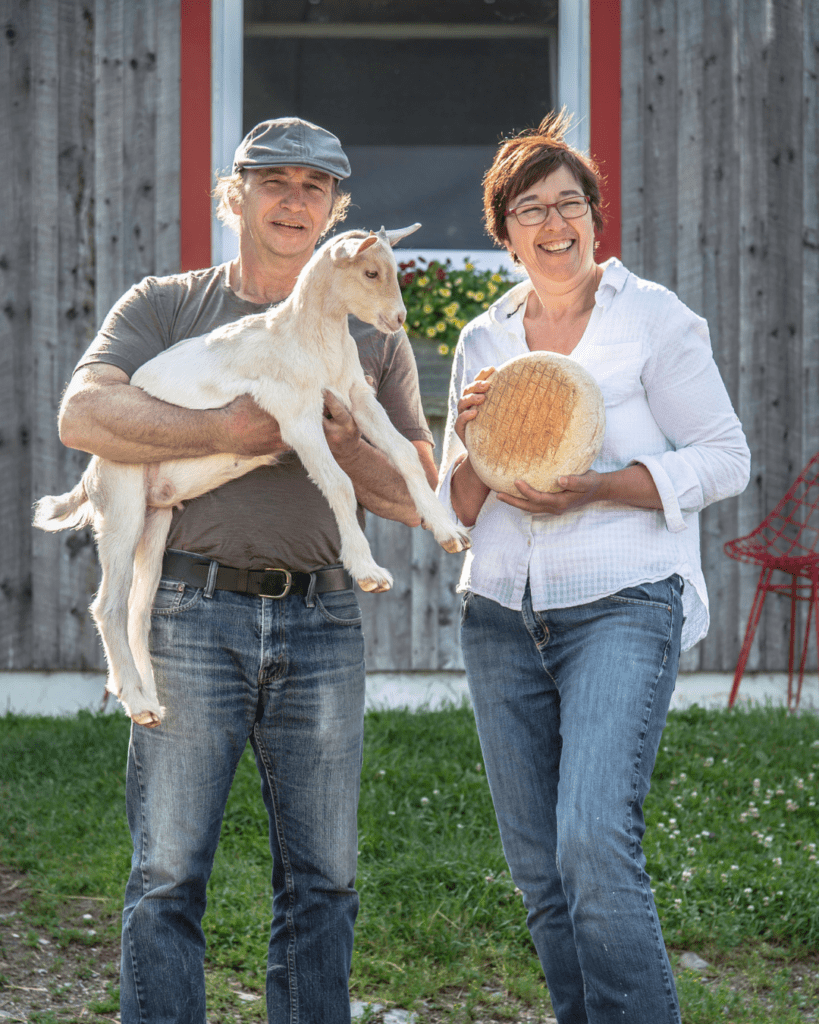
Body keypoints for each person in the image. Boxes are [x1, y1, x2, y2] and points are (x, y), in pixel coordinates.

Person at [58, 118, 437, 1024]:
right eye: (275, 182)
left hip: (323, 620)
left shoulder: (370, 339)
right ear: (236, 197)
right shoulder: (168, 304)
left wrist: (347, 443)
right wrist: (223, 432)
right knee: (166, 874)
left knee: (326, 879)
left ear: (336, 215)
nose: (294, 201)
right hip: (189, 608)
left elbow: (408, 490)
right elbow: (83, 417)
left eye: (315, 187)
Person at [438, 112, 750, 1024]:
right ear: (504, 234)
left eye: (567, 203)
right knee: (538, 866)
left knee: (591, 842)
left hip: (622, 602)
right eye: (528, 209)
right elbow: (459, 509)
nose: (551, 223)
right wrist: (468, 444)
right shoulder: (483, 339)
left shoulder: (652, 317)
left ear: (594, 218)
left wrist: (599, 488)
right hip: (501, 612)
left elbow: (724, 458)